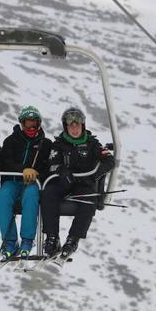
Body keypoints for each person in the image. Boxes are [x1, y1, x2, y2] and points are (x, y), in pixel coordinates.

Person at [40, 107, 115, 258]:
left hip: (83, 183)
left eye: (77, 125)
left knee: (89, 200)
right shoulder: (59, 144)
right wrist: (62, 171)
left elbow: (109, 161)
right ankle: (52, 237)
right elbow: (53, 163)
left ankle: (73, 239)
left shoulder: (92, 144)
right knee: (48, 195)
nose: (74, 129)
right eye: (71, 126)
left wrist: (95, 175)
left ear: (83, 126)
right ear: (66, 127)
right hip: (63, 182)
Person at [0, 106, 52, 261]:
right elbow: (6, 162)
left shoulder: (45, 144)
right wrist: (23, 169)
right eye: (27, 124)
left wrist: (37, 173)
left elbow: (48, 166)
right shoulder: (11, 141)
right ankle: (10, 242)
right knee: (3, 198)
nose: (31, 128)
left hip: (32, 183)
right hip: (13, 181)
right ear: (21, 124)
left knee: (31, 197)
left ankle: (27, 240)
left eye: (34, 124)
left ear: (39, 124)